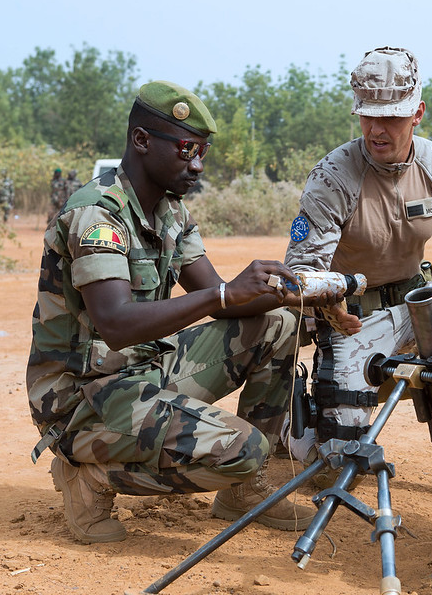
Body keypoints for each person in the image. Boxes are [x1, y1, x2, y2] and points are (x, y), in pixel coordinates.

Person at [26, 80, 337, 544]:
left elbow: (219, 293)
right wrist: (224, 296)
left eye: (203, 153)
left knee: (279, 323)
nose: (197, 165)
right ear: (142, 140)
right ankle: (91, 478)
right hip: (80, 397)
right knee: (244, 450)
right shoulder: (98, 215)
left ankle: (241, 494)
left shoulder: (171, 211)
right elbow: (116, 324)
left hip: (141, 371)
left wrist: (308, 295)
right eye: (188, 149)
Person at [281, 46, 432, 473]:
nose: (377, 130)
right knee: (338, 465)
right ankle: (296, 425)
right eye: (368, 115)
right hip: (353, 318)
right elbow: (301, 273)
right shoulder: (334, 177)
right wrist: (330, 307)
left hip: (418, 308)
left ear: (417, 113)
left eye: (392, 117)